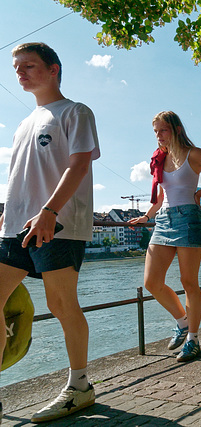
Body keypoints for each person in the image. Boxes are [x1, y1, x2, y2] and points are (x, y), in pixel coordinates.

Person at [0, 43, 100, 423]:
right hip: (16, 226)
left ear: (54, 69)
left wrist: (49, 210)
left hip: (57, 223)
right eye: (16, 67)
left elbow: (78, 166)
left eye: (29, 66)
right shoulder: (25, 123)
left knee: (61, 305)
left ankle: (80, 387)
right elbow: (18, 179)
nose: (20, 72)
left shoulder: (75, 112)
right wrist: (6, 218)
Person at [129, 111, 201, 362]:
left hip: (189, 219)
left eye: (162, 130)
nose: (158, 136)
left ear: (175, 129)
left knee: (189, 282)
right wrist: (146, 216)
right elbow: (163, 195)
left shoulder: (193, 154)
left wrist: (199, 193)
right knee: (152, 282)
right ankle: (182, 322)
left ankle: (193, 339)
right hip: (164, 221)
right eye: (155, 131)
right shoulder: (161, 159)